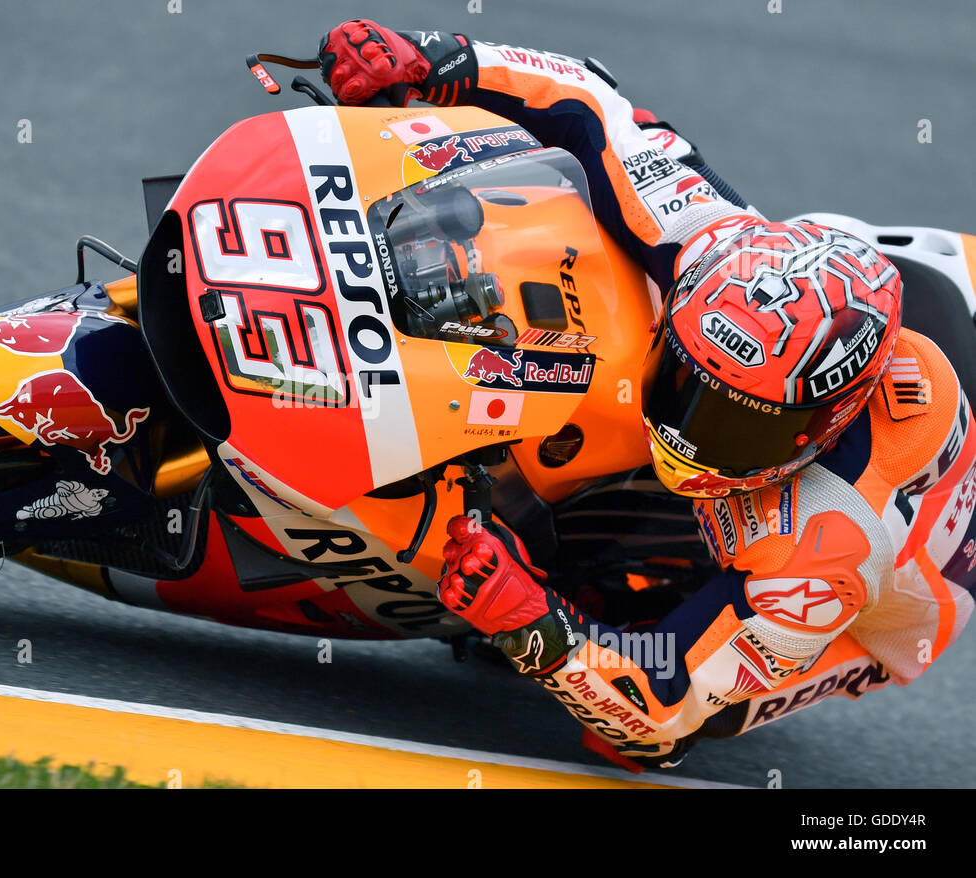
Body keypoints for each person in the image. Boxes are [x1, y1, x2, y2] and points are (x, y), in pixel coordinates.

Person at [319, 20, 976, 768]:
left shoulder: (829, 546)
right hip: (849, 292)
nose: (689, 437)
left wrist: (535, 623)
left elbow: (661, 706)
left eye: (735, 423)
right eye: (689, 384)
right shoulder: (715, 248)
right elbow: (587, 102)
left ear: (819, 429)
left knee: (644, 741)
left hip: (893, 603)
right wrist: (438, 60)